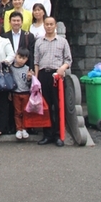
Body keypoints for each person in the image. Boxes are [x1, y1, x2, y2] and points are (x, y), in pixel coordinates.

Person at [34, 17, 72, 146]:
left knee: (58, 105)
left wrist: (62, 68)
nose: (49, 26)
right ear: (44, 26)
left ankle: (58, 134)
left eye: (51, 24)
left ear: (55, 26)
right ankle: (47, 134)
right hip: (43, 75)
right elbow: (36, 62)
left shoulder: (62, 41)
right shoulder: (39, 42)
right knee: (46, 106)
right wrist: (36, 80)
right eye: (47, 24)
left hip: (57, 76)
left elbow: (68, 60)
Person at [10, 47, 32, 140]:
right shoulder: (11, 68)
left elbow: (30, 84)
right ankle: (18, 128)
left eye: (24, 58)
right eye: (19, 57)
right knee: (17, 112)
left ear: (27, 59)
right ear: (16, 56)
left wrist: (29, 78)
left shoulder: (27, 69)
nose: (21, 60)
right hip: (16, 93)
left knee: (25, 111)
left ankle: (24, 128)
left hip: (26, 92)